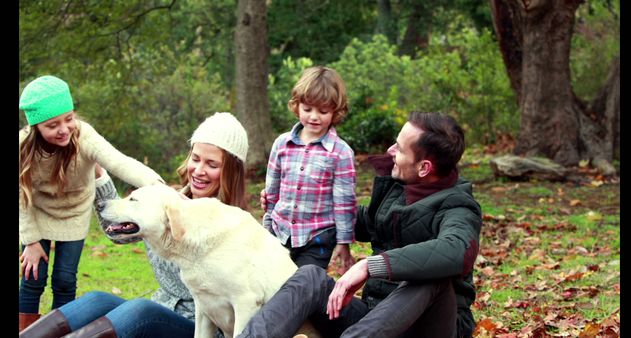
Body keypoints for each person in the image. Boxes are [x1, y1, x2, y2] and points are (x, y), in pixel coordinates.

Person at [242, 111, 482, 338]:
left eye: (398, 148)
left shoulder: (458, 207)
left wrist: (370, 265)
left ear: (424, 167)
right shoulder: (399, 190)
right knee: (311, 277)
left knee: (432, 275)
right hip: (374, 319)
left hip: (429, 328)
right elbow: (355, 221)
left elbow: (457, 251)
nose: (390, 151)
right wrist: (296, 203)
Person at [19, 112, 248, 338]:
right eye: (195, 159)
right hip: (160, 311)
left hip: (200, 328)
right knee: (97, 300)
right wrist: (99, 175)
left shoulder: (235, 226)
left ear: (230, 171)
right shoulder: (167, 201)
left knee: (141, 310)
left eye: (212, 164)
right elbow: (117, 233)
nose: (198, 171)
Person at [18, 75, 165, 332]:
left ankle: (61, 332)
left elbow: (119, 161)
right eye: (53, 125)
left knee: (64, 279)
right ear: (36, 127)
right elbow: (21, 196)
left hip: (73, 213)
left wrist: (157, 185)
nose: (64, 129)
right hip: (37, 213)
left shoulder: (84, 136)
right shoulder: (23, 147)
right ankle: (26, 332)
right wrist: (30, 241)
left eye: (69, 118)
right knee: (33, 278)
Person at [264, 65, 357, 273]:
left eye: (323, 111)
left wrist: (343, 242)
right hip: (280, 232)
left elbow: (344, 203)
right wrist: (268, 222)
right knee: (274, 284)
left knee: (305, 285)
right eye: (307, 109)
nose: (314, 117)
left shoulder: (341, 153)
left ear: (335, 112)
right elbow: (272, 188)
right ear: (297, 106)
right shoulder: (282, 144)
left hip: (317, 238)